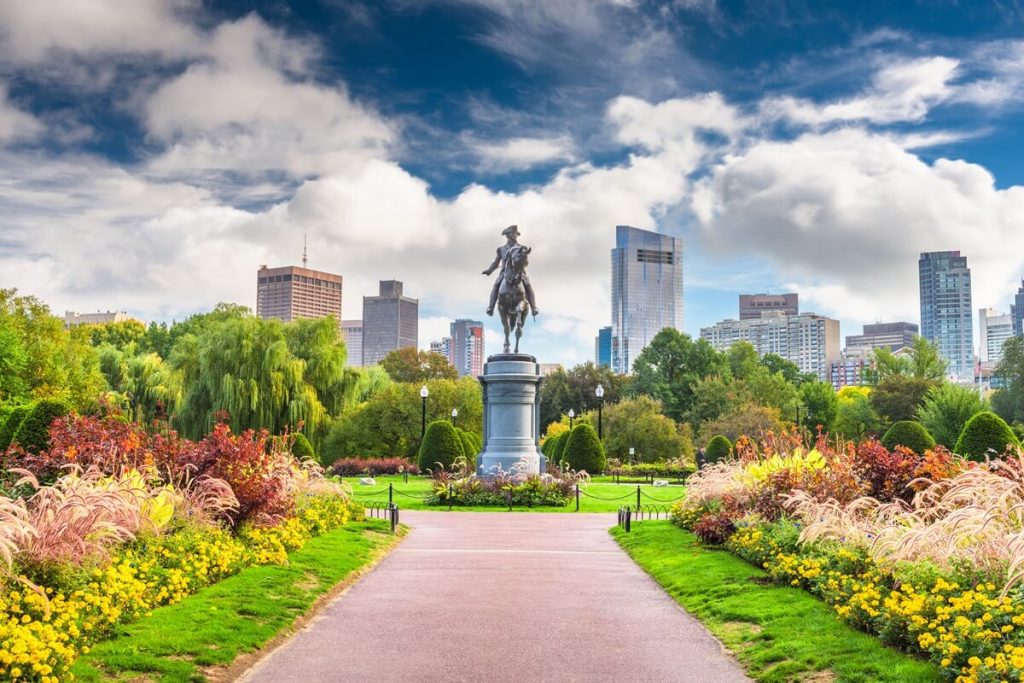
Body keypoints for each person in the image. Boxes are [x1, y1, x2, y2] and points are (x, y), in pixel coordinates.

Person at [482, 225, 539, 317]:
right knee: (496, 285)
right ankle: (490, 308)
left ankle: (534, 308)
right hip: (505, 272)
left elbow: (525, 262)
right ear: (508, 235)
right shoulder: (501, 249)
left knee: (528, 285)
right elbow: (496, 263)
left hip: (519, 272)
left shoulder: (522, 247)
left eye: (516, 234)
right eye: (513, 234)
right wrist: (489, 271)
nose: (515, 236)